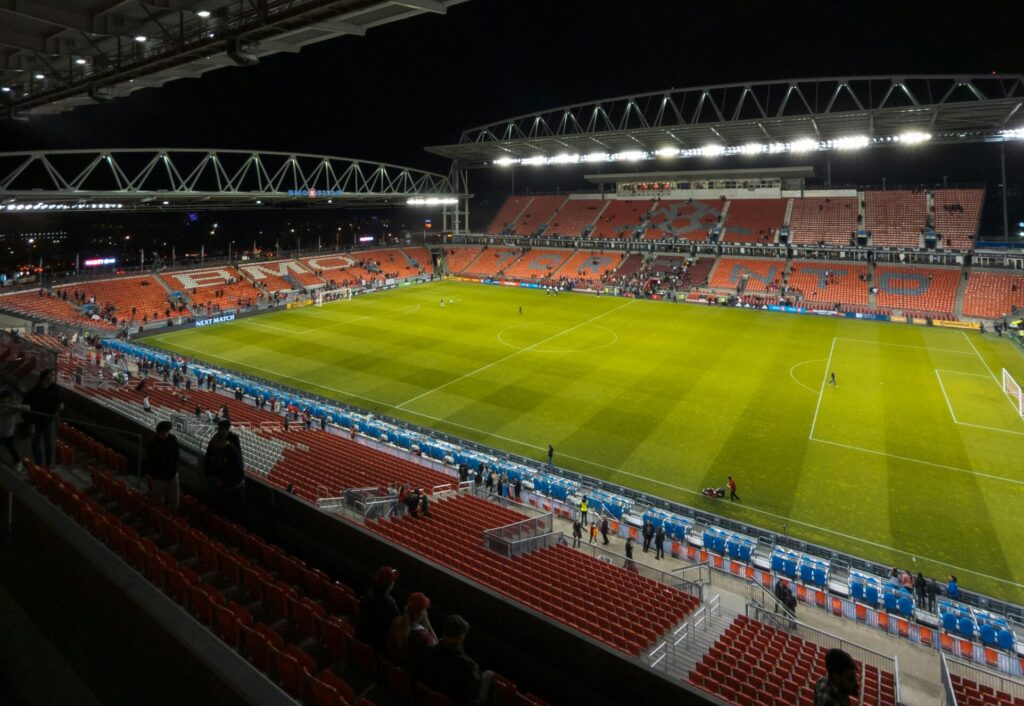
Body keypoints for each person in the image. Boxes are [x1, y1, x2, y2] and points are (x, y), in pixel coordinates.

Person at [422, 614, 495, 706]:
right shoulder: (468, 665)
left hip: (440, 697)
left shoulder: (430, 651)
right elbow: (475, 693)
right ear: (461, 637)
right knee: (490, 674)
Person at [386, 591, 437, 674]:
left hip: (391, 673)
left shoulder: (395, 623)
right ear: (421, 614)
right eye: (424, 610)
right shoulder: (422, 637)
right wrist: (428, 624)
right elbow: (436, 649)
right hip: (409, 677)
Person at [204, 419, 245, 519]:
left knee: (227, 510)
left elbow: (237, 464)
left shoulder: (232, 444)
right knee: (218, 508)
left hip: (229, 484)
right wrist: (210, 476)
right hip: (220, 482)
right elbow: (208, 459)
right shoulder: (216, 439)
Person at [357, 566, 400, 653]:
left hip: (360, 634)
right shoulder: (390, 604)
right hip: (375, 645)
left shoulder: (369, 592)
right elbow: (397, 623)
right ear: (390, 585)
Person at [24, 369, 62, 467]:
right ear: (45, 378)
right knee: (36, 443)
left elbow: (59, 401)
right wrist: (29, 423)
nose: (53, 377)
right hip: (36, 420)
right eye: (51, 375)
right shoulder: (34, 391)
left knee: (49, 443)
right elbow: (26, 405)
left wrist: (59, 407)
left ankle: (49, 464)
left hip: (49, 420)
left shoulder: (55, 388)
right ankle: (39, 463)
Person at [147, 421, 180, 511]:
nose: (166, 434)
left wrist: (174, 468)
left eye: (167, 432)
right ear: (159, 432)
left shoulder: (172, 439)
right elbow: (150, 461)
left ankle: (172, 513)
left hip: (172, 475)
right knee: (158, 500)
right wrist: (152, 475)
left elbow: (176, 454)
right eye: (164, 432)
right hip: (159, 478)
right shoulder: (153, 444)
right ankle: (160, 514)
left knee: (174, 499)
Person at [0, 388, 28, 469]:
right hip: (2, 431)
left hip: (7, 432)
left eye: (7, 399)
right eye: (3, 399)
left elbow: (27, 408)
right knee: (10, 447)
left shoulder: (12, 407)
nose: (4, 400)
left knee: (11, 447)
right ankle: (18, 462)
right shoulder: (3, 407)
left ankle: (18, 462)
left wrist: (18, 407)